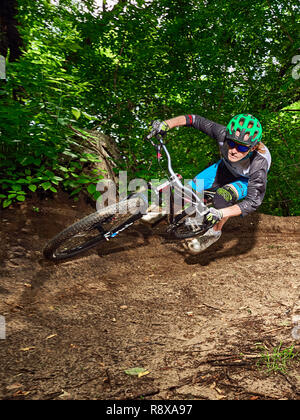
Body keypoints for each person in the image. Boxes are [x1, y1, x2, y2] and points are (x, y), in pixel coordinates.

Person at [142, 113, 271, 254]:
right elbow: (194, 119)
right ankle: (165, 210)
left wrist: (220, 213)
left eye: (242, 148)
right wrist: (166, 124)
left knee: (222, 198)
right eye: (232, 143)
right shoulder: (222, 133)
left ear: (252, 148)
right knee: (187, 190)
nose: (233, 151)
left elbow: (253, 202)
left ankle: (214, 233)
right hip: (224, 168)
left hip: (244, 180)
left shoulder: (260, 164)